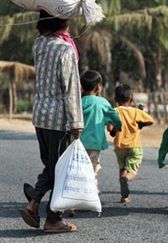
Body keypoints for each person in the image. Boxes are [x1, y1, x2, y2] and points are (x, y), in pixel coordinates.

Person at [19, 10, 83, 233]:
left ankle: (34, 203)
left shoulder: (39, 44)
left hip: (40, 115)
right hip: (59, 118)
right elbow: (71, 88)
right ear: (61, 21)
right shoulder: (65, 49)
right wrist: (77, 122)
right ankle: (53, 220)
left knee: (52, 164)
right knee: (61, 170)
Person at [111, 84, 154, 204]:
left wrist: (115, 128)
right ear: (131, 99)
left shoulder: (114, 111)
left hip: (119, 146)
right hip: (134, 146)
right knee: (132, 170)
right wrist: (140, 124)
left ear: (115, 99)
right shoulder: (135, 111)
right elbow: (150, 120)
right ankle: (127, 178)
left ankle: (124, 197)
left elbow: (110, 128)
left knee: (122, 167)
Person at [80, 70, 122, 186]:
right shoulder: (102, 102)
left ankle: (80, 190)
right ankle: (90, 192)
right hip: (94, 142)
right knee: (91, 168)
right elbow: (114, 116)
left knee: (80, 167)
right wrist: (119, 126)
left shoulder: (79, 102)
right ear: (99, 87)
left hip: (78, 142)